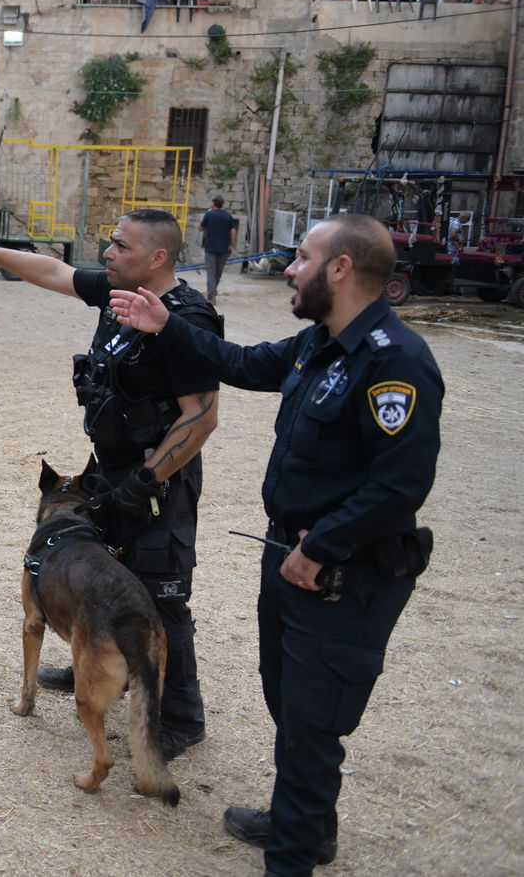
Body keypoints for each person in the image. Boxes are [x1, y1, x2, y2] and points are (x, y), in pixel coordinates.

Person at [110, 213, 443, 876]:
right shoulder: (322, 343)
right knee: (289, 703)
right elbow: (242, 362)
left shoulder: (395, 361)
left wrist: (321, 547)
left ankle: (293, 852)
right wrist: (170, 326)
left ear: (341, 269)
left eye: (303, 257)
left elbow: (401, 482)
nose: (289, 268)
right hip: (289, 560)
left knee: (312, 726)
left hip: (340, 575)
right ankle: (310, 823)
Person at [0, 209, 220, 761]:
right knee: (104, 572)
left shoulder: (187, 320)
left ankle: (180, 716)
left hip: (159, 476)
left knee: (162, 590)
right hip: (110, 469)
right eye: (108, 244)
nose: (107, 254)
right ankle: (98, 662)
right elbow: (51, 272)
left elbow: (202, 417)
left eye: (119, 245)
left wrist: (143, 482)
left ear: (157, 257)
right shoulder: (120, 292)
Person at [198, 195, 238, 304]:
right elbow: (233, 231)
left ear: (213, 203)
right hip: (224, 248)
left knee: (211, 271)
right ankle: (213, 291)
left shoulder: (209, 214)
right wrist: (232, 245)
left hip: (210, 247)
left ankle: (211, 295)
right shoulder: (228, 215)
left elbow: (200, 228)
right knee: (218, 272)